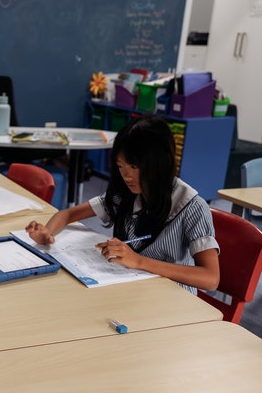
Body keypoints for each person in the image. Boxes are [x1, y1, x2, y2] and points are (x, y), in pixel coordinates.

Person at [25, 115, 219, 294]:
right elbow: (67, 215)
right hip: (133, 290)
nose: (126, 176)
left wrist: (139, 261)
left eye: (134, 166)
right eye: (120, 166)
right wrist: (47, 234)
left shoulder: (192, 207)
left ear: (159, 163)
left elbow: (210, 278)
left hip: (173, 299)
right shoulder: (127, 194)